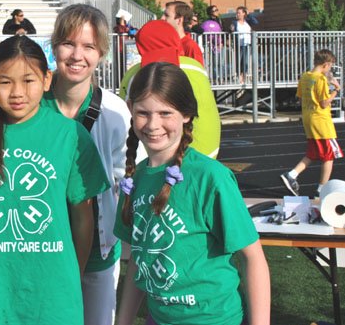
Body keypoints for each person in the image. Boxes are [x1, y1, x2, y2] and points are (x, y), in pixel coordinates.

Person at [0, 35, 110, 325]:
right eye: (5, 82)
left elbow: (83, 214)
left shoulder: (69, 134)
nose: (17, 92)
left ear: (46, 80)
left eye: (28, 81)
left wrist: (76, 268)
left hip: (54, 278)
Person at [115, 62, 270, 325]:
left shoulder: (211, 177)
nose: (153, 124)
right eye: (143, 113)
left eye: (165, 113)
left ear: (186, 113)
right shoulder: (135, 178)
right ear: (130, 109)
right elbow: (138, 264)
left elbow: (252, 257)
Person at [41, 4, 131, 325]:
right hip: (41, 247)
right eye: (68, 43)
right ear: (54, 47)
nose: (77, 55)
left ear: (102, 53)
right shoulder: (31, 106)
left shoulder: (116, 111)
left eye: (89, 46)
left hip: (97, 253)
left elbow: (127, 180)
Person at [119, 20, 221, 159]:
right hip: (207, 149)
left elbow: (123, 118)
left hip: (166, 156)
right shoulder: (196, 67)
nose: (153, 124)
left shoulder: (134, 74)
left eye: (165, 113)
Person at [280, 49, 343, 197]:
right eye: (330, 66)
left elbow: (301, 98)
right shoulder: (320, 79)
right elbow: (323, 103)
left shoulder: (305, 77)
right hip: (321, 121)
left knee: (313, 153)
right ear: (326, 64)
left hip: (308, 119)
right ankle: (321, 190)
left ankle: (292, 174)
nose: (330, 69)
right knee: (329, 156)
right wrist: (336, 90)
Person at [162, 1, 204, 66]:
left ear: (179, 20)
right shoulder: (164, 44)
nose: (162, 18)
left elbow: (198, 74)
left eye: (167, 15)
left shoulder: (190, 47)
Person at [232, 6, 252, 84]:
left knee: (246, 61)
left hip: (247, 43)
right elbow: (231, 29)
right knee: (239, 61)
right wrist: (231, 29)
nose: (238, 14)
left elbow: (255, 22)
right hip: (239, 44)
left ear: (244, 13)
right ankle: (239, 77)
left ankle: (244, 77)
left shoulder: (247, 21)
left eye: (239, 13)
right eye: (237, 13)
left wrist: (249, 14)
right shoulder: (235, 22)